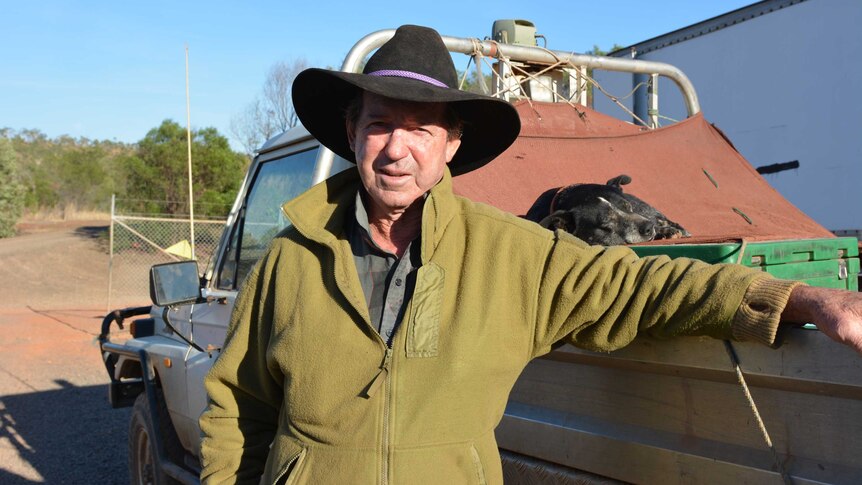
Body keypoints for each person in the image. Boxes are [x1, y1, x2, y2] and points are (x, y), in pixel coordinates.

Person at [199, 25, 862, 484]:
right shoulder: (290, 260)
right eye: (379, 124)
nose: (396, 148)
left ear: (451, 144)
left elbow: (640, 289)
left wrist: (803, 298)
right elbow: (239, 407)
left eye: (420, 129)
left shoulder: (509, 256)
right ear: (353, 132)